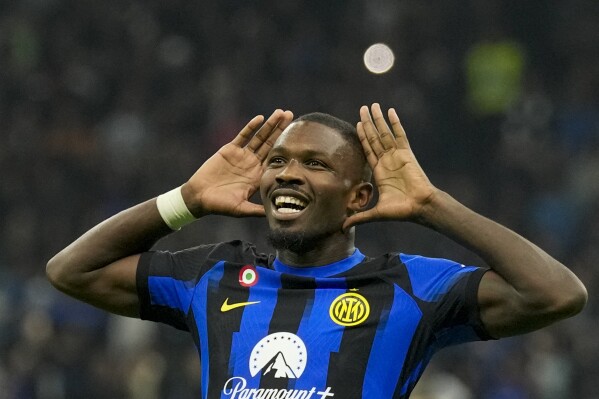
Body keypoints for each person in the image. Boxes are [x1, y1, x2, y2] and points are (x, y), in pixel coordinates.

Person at [47, 104, 587, 398]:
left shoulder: (410, 287)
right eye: (278, 162)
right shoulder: (213, 275)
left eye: (316, 164)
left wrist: (432, 205)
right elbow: (72, 271)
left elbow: (556, 294)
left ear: (358, 198)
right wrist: (184, 201)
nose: (288, 174)